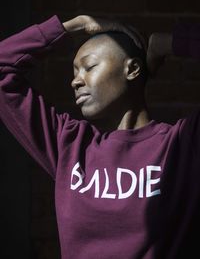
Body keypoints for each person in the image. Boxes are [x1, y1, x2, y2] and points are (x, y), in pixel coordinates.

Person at [0, 14, 199, 259]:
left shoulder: (181, 146)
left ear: (133, 69)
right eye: (74, 72)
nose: (75, 81)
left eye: (89, 66)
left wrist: (168, 43)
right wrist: (74, 26)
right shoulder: (69, 145)